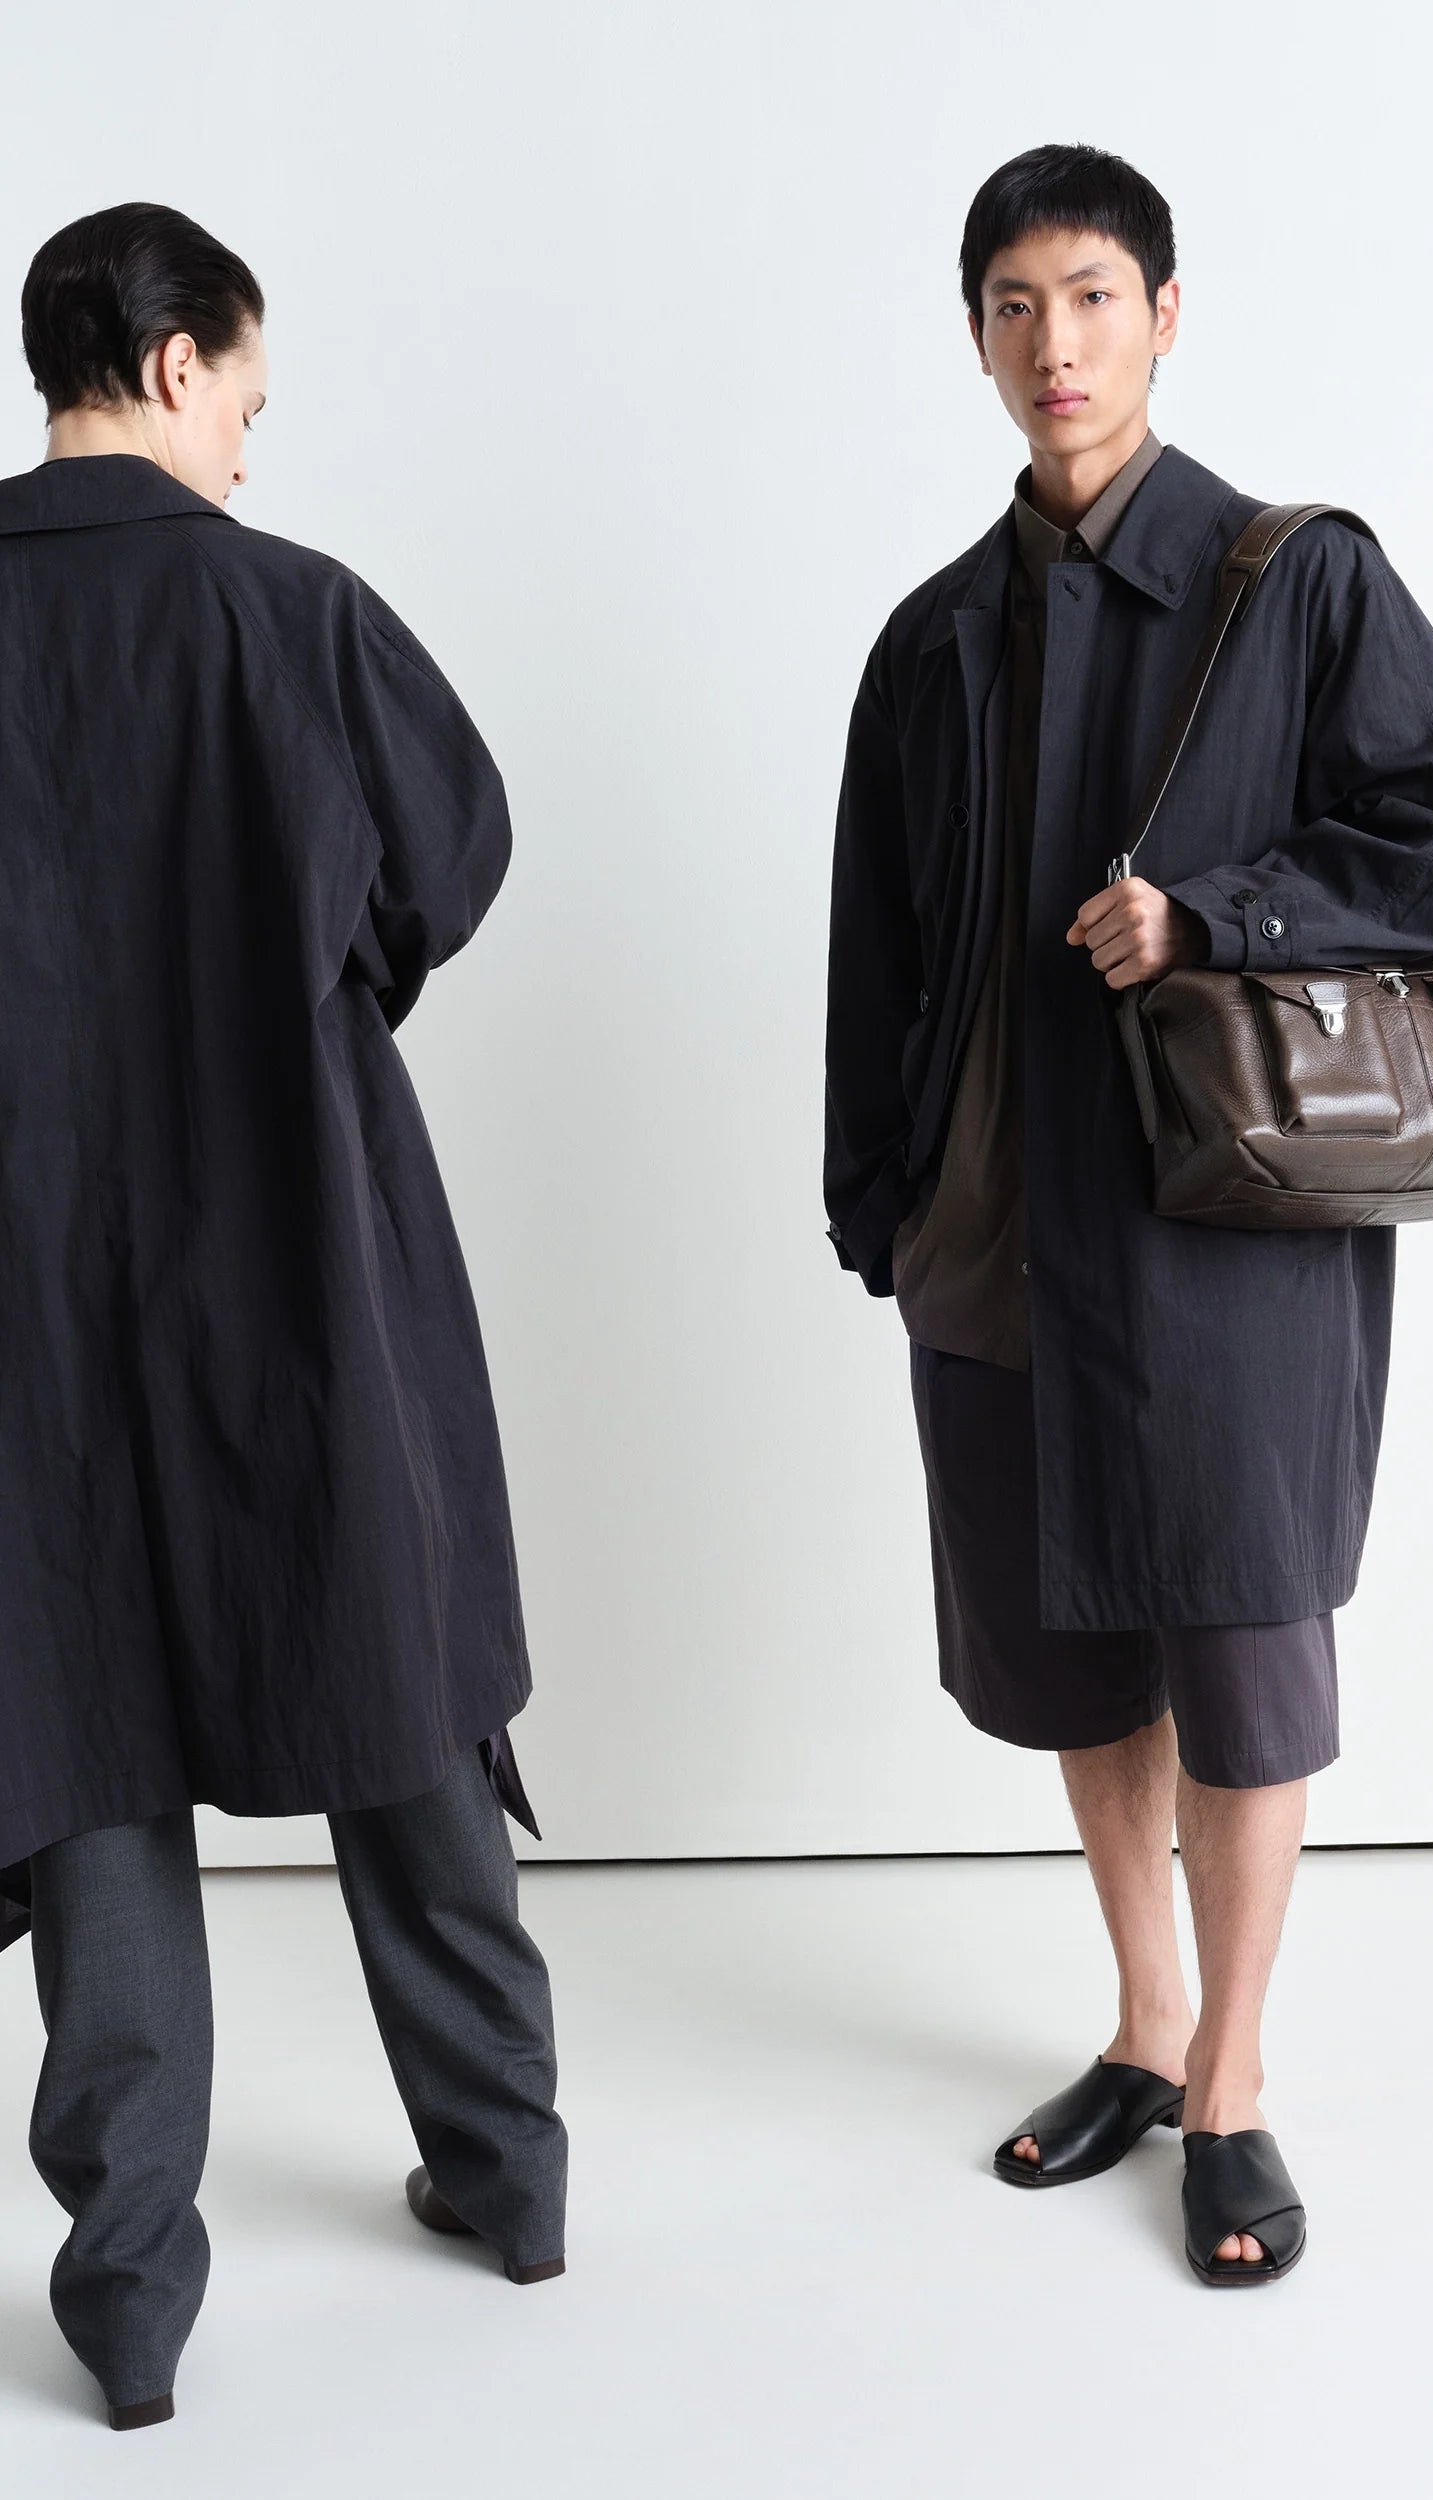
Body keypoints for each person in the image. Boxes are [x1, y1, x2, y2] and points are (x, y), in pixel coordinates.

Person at [823, 143, 1433, 2284]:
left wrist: (1219, 912)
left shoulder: (1292, 578)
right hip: (993, 1234)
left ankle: (1231, 2074)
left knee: (1238, 1639)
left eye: (1093, 296)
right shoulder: (933, 636)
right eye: (1014, 305)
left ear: (1166, 314)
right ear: (973, 335)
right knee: (1071, 1651)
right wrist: (877, 1197)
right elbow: (875, 943)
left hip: (1221, 1232)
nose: (1055, 343)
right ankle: (1143, 2021)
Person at [0, 203, 567, 2428]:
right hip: (298, 1234)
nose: (248, 438)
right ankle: (506, 2177)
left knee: (83, 1731)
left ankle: (131, 2304)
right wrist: (294, 988)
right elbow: (447, 861)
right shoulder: (293, 612)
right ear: (171, 361)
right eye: (244, 393)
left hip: (26, 1277)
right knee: (386, 1666)